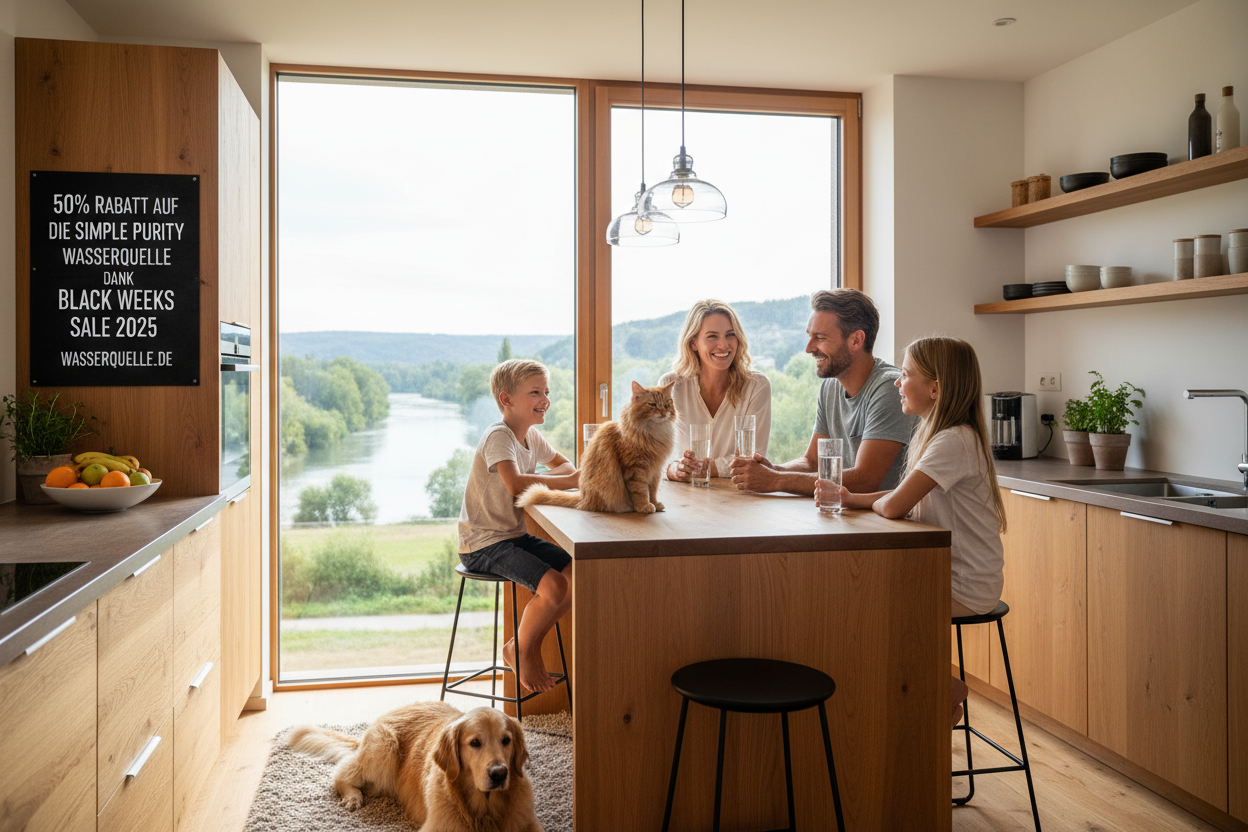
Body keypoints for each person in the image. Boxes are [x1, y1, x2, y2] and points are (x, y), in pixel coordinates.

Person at [823, 336, 1007, 728]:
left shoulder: (953, 440)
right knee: (854, 601)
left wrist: (869, 501)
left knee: (857, 611)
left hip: (964, 585)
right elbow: (904, 495)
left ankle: (935, 692)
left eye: (905, 375)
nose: (896, 382)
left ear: (935, 388)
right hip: (947, 573)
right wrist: (852, 498)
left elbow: (893, 505)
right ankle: (925, 697)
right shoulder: (941, 434)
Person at [457, 358, 578, 693]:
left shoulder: (532, 437)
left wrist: (566, 478)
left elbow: (564, 465)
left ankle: (519, 645)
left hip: (513, 537)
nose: (545, 399)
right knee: (554, 586)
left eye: (547, 391)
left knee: (580, 572)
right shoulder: (499, 435)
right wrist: (569, 481)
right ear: (506, 400)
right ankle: (526, 649)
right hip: (483, 544)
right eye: (535, 392)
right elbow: (516, 484)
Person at [729, 288, 916, 494]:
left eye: (820, 337)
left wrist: (776, 481)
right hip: (847, 516)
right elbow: (812, 461)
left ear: (856, 340)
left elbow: (866, 480)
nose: (809, 348)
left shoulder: (890, 388)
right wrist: (773, 470)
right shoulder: (831, 385)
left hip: (890, 523)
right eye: (810, 336)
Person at [662, 299, 772, 482]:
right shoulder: (671, 386)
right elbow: (660, 456)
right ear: (693, 343)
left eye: (730, 334)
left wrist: (704, 467)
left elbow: (755, 459)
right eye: (712, 336)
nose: (723, 345)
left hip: (737, 499)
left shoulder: (757, 386)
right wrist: (674, 469)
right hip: (685, 497)